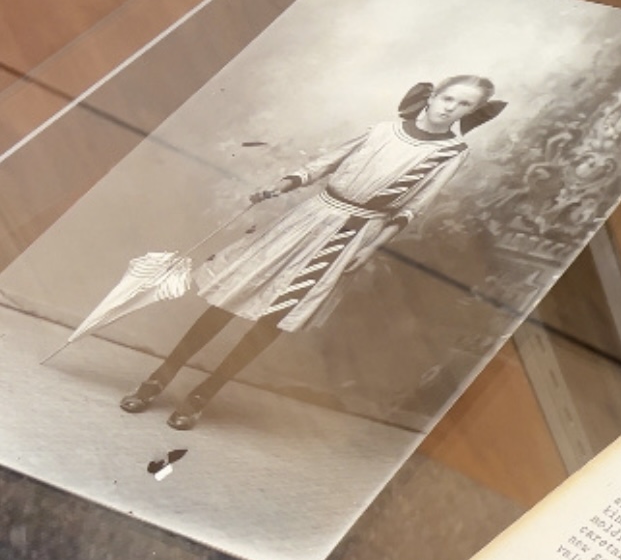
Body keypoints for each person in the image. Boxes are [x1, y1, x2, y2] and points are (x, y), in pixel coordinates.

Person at [117, 75, 505, 430]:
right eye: (448, 98)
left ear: (471, 113)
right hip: (309, 217)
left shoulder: (451, 153)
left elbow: (413, 208)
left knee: (274, 315)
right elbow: (324, 163)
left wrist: (369, 248)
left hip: (351, 235)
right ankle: (158, 379)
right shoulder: (384, 130)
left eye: (463, 106)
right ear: (433, 95)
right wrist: (281, 186)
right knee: (228, 296)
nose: (449, 108)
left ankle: (204, 394)